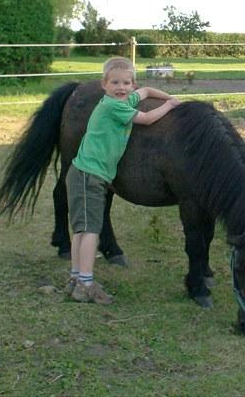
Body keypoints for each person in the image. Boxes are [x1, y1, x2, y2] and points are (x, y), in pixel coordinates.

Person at [66, 57, 180, 304]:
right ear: (104, 84)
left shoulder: (124, 100)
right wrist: (170, 107)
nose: (122, 87)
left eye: (127, 83)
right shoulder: (113, 107)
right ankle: (85, 283)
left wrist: (167, 96)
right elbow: (148, 119)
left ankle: (76, 277)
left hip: (85, 174)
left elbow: (147, 90)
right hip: (89, 176)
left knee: (81, 230)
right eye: (115, 82)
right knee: (90, 232)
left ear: (132, 84)